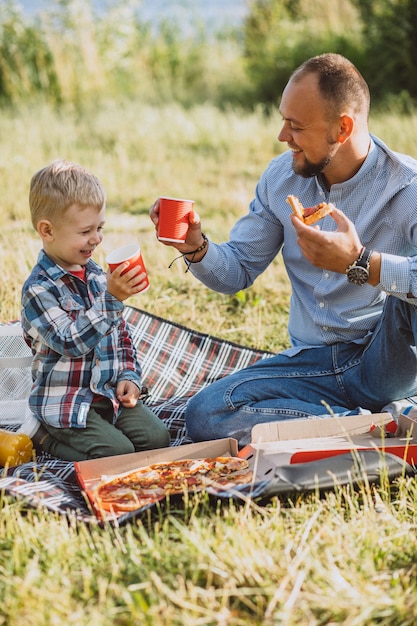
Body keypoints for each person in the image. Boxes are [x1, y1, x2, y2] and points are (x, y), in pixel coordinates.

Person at [149, 52, 417, 447]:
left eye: (296, 126)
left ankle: (361, 423)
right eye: (283, 122)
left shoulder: (407, 188)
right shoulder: (282, 178)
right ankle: (374, 428)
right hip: (312, 367)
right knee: (206, 413)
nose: (282, 137)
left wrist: (363, 264)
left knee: (409, 293)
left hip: (386, 358)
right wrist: (197, 247)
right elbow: (237, 269)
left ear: (342, 128)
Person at [22, 160, 170, 461]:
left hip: (106, 393)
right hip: (65, 401)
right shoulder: (38, 290)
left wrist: (129, 376)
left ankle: (104, 427)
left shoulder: (97, 276)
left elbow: (121, 335)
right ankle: (44, 438)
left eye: (100, 228)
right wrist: (111, 300)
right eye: (86, 230)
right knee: (115, 452)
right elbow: (69, 342)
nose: (97, 238)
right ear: (47, 231)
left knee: (158, 438)